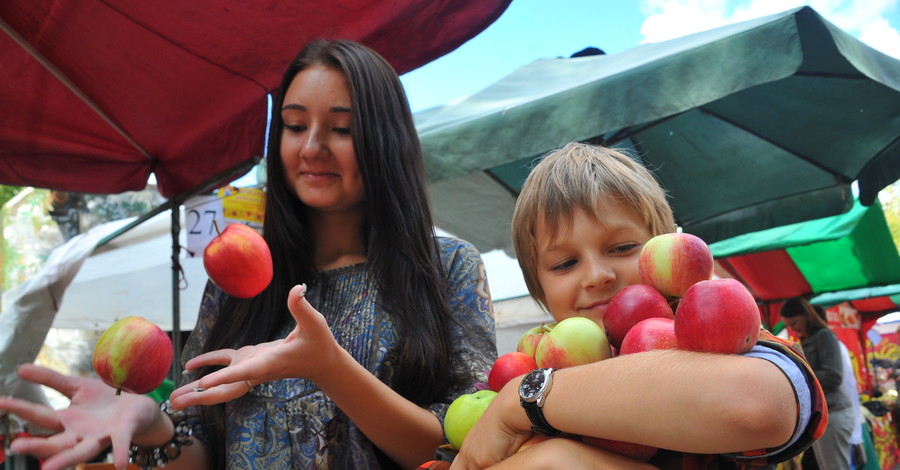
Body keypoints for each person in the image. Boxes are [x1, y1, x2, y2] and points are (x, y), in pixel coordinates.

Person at [0, 39, 497, 470]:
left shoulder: (451, 267)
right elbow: (201, 447)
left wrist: (330, 368)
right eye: (294, 125)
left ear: (386, 140)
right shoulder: (237, 278)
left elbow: (473, 447)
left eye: (341, 129)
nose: (312, 147)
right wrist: (155, 426)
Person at [448, 142, 826, 469]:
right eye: (564, 263)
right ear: (540, 288)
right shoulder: (527, 365)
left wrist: (528, 399)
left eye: (622, 248)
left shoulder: (709, 331)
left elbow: (761, 405)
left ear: (663, 248)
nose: (596, 275)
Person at [781, 297, 855, 470]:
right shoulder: (810, 339)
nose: (792, 328)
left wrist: (799, 377)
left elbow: (833, 375)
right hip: (825, 415)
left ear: (806, 315)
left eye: (794, 323)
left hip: (835, 413)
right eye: (789, 325)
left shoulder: (824, 335)